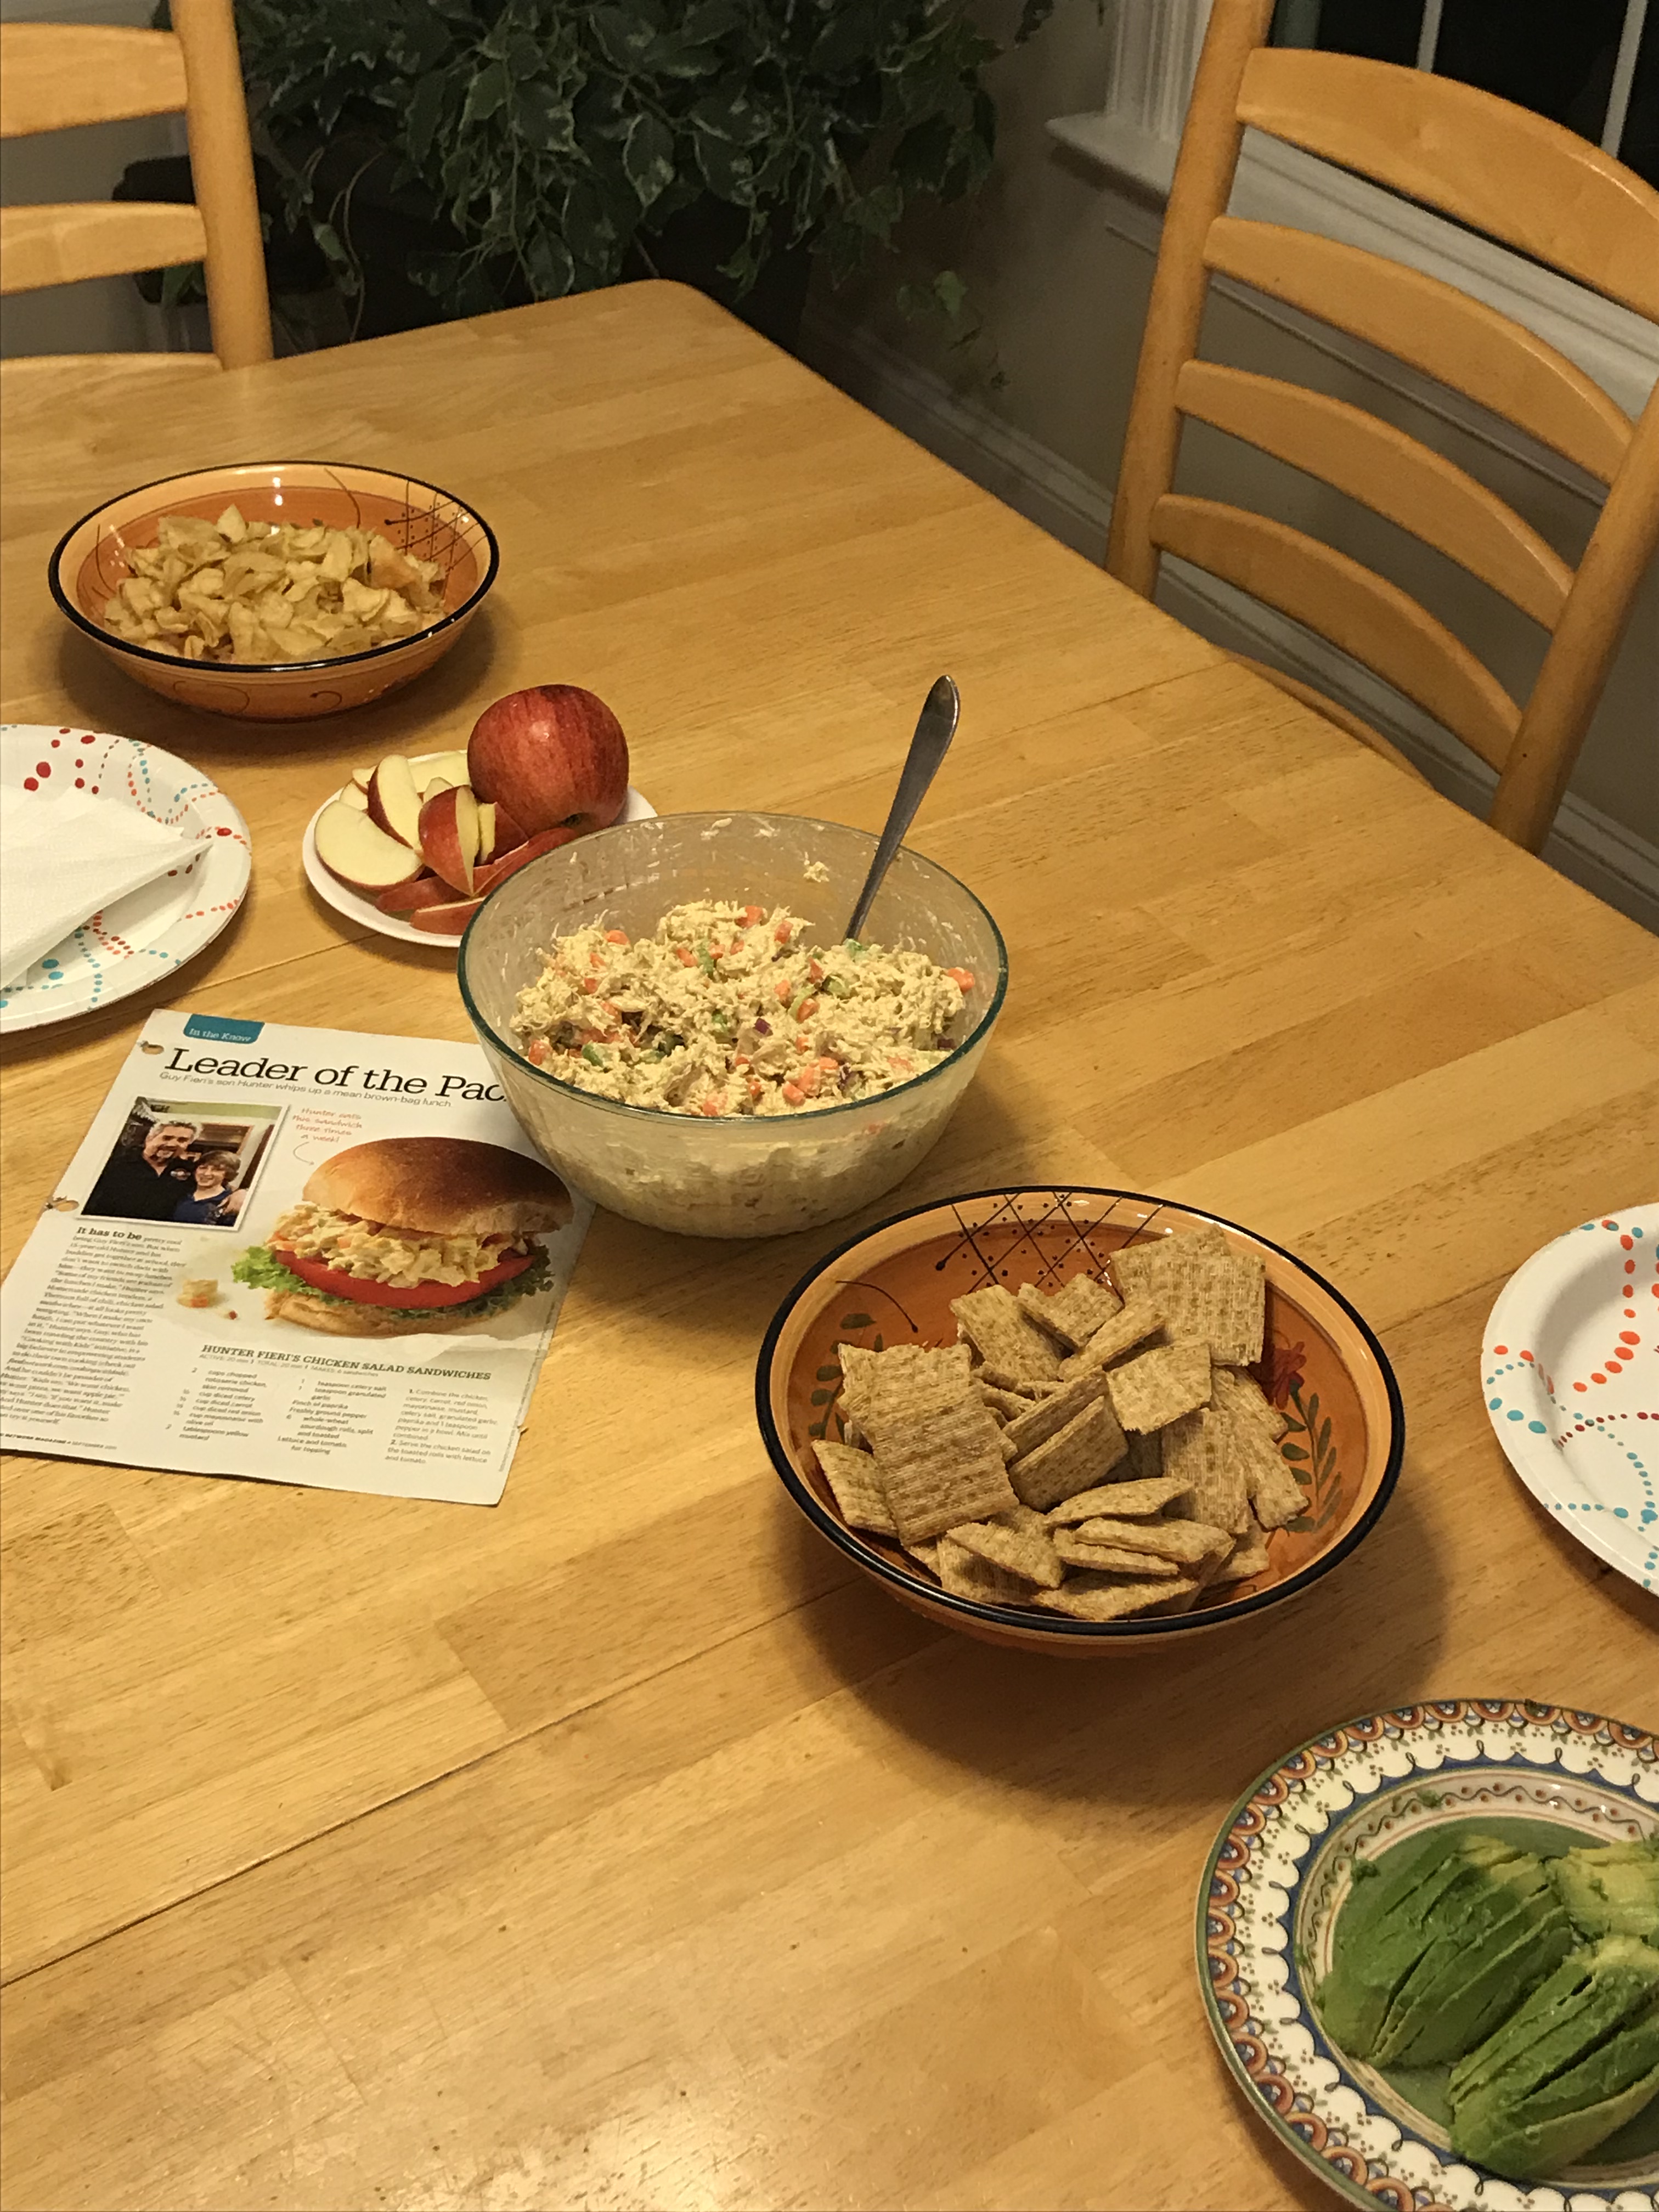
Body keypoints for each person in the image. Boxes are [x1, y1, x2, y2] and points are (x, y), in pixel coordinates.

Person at [81, 1115, 200, 1222]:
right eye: (167, 1138)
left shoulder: (191, 1171)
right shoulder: (114, 1163)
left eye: (182, 1140)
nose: (172, 1144)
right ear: (150, 1138)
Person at [171, 1149, 246, 1227]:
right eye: (203, 1168)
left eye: (216, 1170)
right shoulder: (182, 1191)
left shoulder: (228, 1202)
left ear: (228, 1174)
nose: (207, 1173)